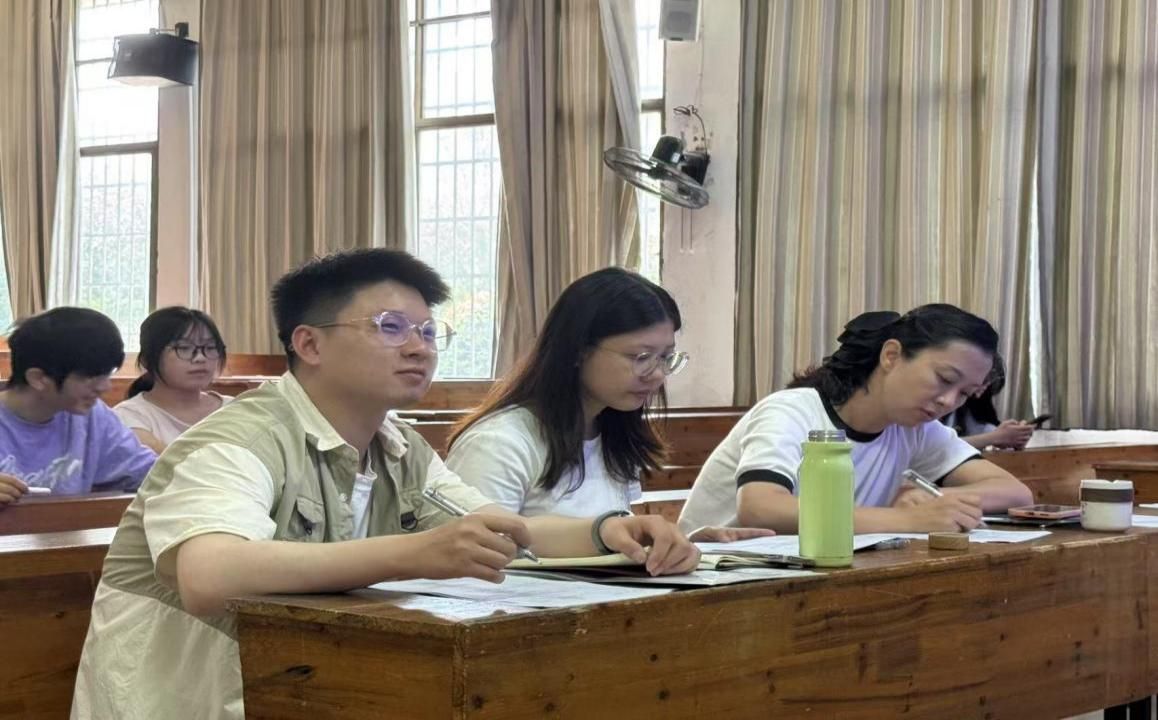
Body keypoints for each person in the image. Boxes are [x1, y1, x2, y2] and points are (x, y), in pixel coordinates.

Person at [72, 249, 699, 720]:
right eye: (391, 327)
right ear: (309, 343)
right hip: (184, 701)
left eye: (427, 332)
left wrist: (609, 533)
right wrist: (415, 553)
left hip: (292, 691)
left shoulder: (397, 445)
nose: (419, 349)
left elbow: (503, 529)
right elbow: (208, 575)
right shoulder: (239, 438)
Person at [446, 267, 770, 543]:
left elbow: (609, 548)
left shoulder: (611, 433)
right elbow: (477, 554)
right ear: (578, 350)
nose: (657, 374)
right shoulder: (499, 443)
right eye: (641, 357)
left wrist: (682, 545)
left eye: (666, 357)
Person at [678, 304, 1034, 535]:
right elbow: (761, 508)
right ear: (891, 355)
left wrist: (933, 500)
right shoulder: (792, 411)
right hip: (711, 579)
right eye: (944, 379)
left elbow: (1015, 492)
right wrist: (906, 520)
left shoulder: (915, 429)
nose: (948, 401)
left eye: (965, 394)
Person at [0, 307, 155, 505]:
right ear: (38, 378)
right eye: (88, 376)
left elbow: (153, 475)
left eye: (106, 374)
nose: (104, 387)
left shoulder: (93, 416)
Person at [113, 307, 232, 453]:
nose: (200, 358)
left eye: (210, 347)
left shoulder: (235, 408)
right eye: (184, 348)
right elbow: (168, 464)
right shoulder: (129, 416)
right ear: (147, 360)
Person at [941, 353, 1033, 451]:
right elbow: (936, 447)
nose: (978, 392)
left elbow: (995, 436)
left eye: (987, 384)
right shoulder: (940, 402)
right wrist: (995, 437)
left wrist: (1015, 437)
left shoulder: (974, 410)